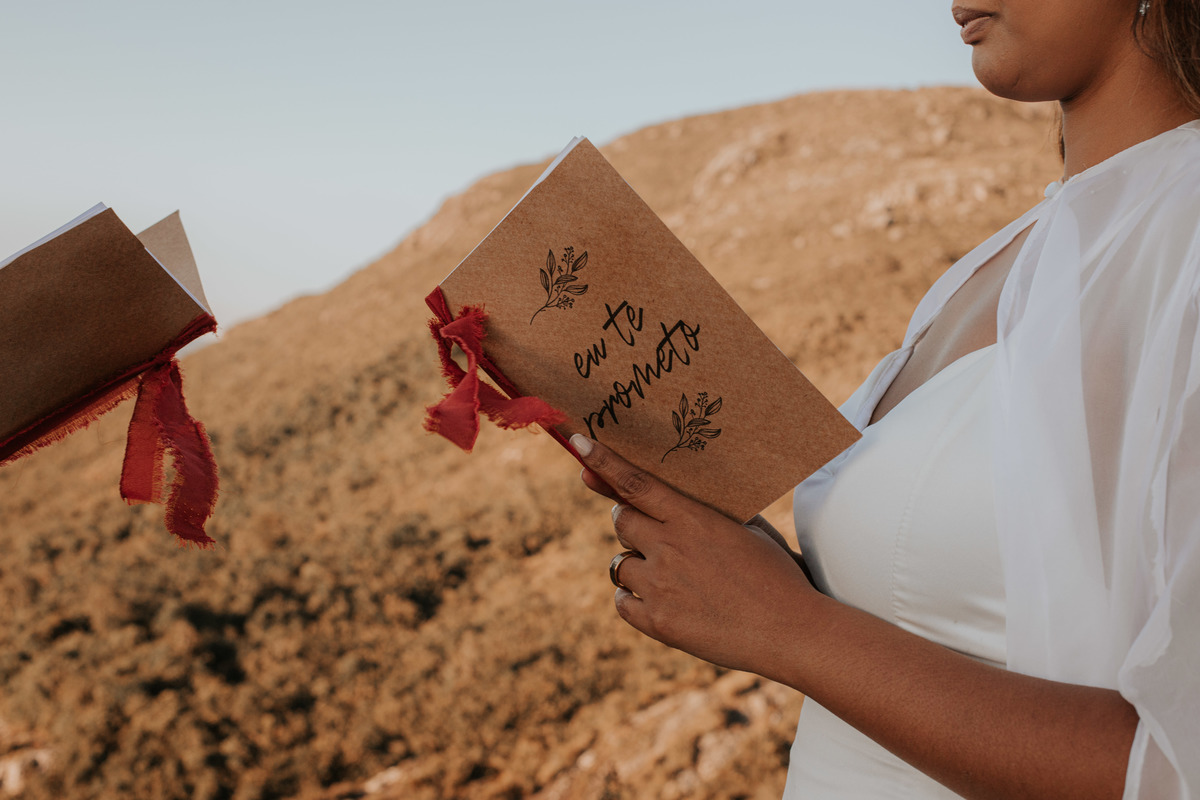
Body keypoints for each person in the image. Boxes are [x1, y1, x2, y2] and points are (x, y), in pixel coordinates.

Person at [571, 1, 1200, 797]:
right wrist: (747, 574)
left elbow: (1176, 768)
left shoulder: (1185, 241)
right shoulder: (1001, 258)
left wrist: (786, 627)